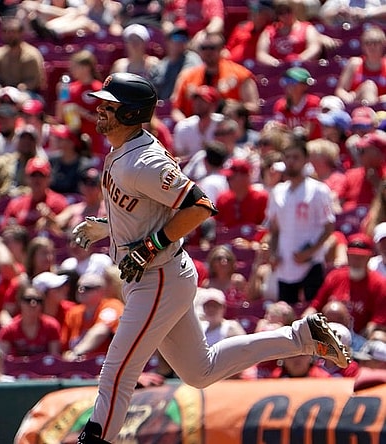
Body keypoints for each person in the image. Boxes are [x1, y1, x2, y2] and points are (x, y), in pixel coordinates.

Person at [68, 73, 350, 444]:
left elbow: (200, 205)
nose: (100, 110)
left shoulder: (145, 161)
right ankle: (301, 337)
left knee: (117, 372)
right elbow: (150, 211)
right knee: (200, 371)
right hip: (154, 275)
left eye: (109, 106)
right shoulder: (123, 149)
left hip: (159, 276)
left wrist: (151, 246)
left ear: (132, 113)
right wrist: (108, 227)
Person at [266, 134, 336, 305]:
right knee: (286, 314)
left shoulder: (318, 190)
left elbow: (328, 228)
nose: (291, 161)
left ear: (306, 160)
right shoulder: (278, 192)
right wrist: (273, 252)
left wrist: (309, 252)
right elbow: (274, 229)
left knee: (312, 316)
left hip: (311, 264)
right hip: (285, 264)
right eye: (287, 157)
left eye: (296, 157)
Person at [302, 233, 386, 337]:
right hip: (326, 334)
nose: (356, 261)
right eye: (353, 256)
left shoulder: (379, 284)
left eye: (360, 257)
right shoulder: (335, 277)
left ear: (369, 257)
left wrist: (358, 341)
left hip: (358, 338)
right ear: (347, 255)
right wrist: (304, 322)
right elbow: (316, 305)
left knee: (379, 336)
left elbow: (377, 321)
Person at [61, 272, 123, 360]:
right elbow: (64, 349)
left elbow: (101, 331)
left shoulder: (112, 305)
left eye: (87, 288)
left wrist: (77, 352)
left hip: (104, 365)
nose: (81, 290)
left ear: (101, 291)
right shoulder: (73, 313)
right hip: (79, 367)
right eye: (78, 286)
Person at [0, 16, 47, 105]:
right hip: (4, 91)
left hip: (28, 93)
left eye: (13, 32)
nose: (9, 35)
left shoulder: (31, 55)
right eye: (6, 32)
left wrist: (16, 91)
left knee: (22, 100)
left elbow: (35, 82)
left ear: (21, 33)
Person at [0, 285, 62, 357]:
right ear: (20, 302)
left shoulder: (51, 327)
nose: (33, 304)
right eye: (28, 300)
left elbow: (55, 358)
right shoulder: (9, 329)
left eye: (38, 300)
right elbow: (2, 360)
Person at [335, 27, 386, 106]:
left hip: (381, 108)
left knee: (369, 87)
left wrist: (377, 99)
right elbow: (340, 90)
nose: (372, 46)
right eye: (368, 43)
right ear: (363, 46)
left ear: (383, 45)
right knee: (369, 86)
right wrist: (348, 97)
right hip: (357, 104)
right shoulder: (354, 63)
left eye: (376, 42)